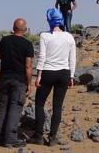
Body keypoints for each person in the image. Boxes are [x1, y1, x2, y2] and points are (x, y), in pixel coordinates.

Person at [28, 8, 76, 147]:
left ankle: (38, 135)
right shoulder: (69, 36)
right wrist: (71, 77)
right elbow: (72, 59)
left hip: (48, 72)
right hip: (64, 73)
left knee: (39, 104)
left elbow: (42, 56)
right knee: (57, 106)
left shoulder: (45, 35)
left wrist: (38, 76)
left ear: (49, 19)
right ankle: (53, 137)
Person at [0, 18, 34, 148]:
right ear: (25, 30)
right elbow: (28, 66)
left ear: (13, 28)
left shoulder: (5, 40)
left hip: (5, 79)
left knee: (3, 106)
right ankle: (10, 139)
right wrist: (29, 83)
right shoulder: (27, 44)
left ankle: (1, 136)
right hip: (19, 80)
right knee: (15, 108)